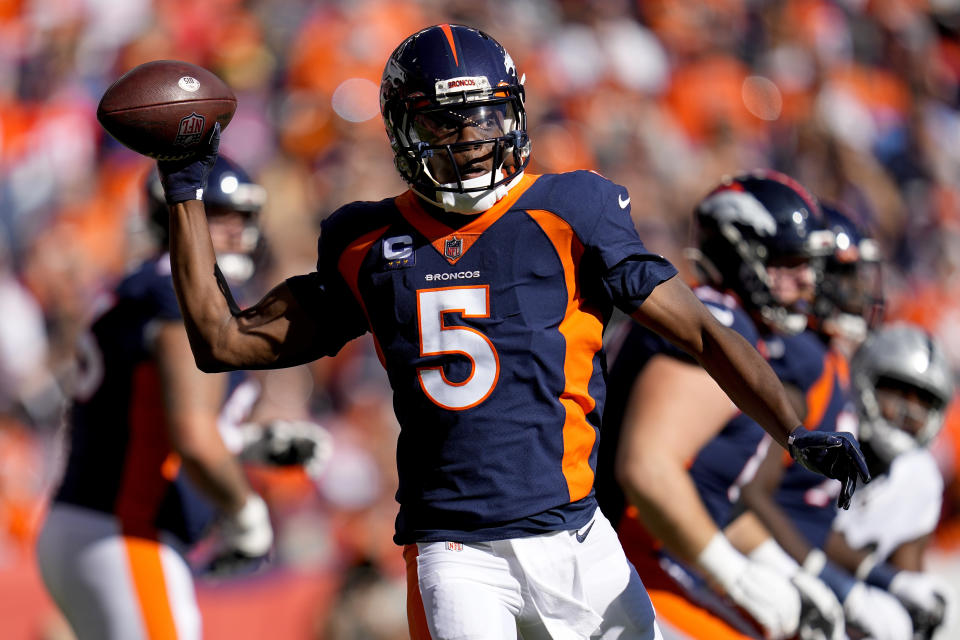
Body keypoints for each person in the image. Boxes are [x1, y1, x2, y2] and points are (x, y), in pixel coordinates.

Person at [157, 24, 869, 640]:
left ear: (516, 114)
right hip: (459, 555)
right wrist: (184, 187)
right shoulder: (366, 242)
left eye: (486, 117)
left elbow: (705, 335)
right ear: (406, 128)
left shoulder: (571, 212)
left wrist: (789, 427)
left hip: (581, 540)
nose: (471, 139)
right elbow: (225, 342)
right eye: (446, 121)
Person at [35, 156, 326, 639]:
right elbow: (192, 436)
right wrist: (246, 517)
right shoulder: (173, 288)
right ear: (171, 214)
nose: (234, 232)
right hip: (124, 530)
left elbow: (150, 422)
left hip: (91, 525)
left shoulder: (143, 284)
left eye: (242, 218)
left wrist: (248, 443)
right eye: (216, 215)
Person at [597, 170, 849, 640]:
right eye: (789, 262)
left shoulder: (735, 326)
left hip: (653, 550)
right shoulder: (718, 319)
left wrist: (787, 571)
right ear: (740, 253)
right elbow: (647, 470)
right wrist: (730, 574)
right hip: (625, 554)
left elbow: (712, 495)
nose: (806, 282)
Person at [735, 203, 915, 640]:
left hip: (785, 552)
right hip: (751, 559)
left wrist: (881, 579)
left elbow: (807, 511)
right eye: (848, 276)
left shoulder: (831, 362)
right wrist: (832, 583)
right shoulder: (803, 361)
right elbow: (747, 492)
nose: (858, 291)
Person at [830, 324, 955, 639]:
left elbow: (907, 569)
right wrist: (883, 578)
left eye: (924, 400)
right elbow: (800, 523)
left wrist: (920, 606)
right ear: (866, 378)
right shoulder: (828, 434)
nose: (910, 411)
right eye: (898, 390)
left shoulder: (921, 477)